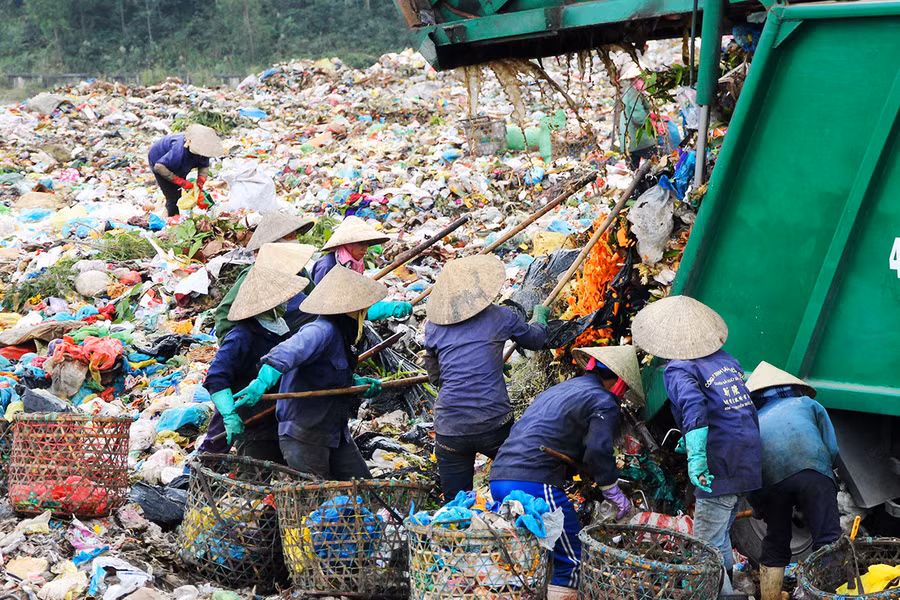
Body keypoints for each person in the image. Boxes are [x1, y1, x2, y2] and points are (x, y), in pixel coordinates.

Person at [491, 345, 643, 600]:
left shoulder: (561, 389)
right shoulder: (604, 400)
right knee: (572, 559)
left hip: (499, 477)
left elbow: (562, 436)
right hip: (534, 482)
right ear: (619, 383)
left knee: (520, 555)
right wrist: (611, 489)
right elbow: (598, 449)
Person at [631, 295, 761, 592]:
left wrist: (698, 456)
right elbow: (739, 409)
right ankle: (730, 590)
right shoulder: (727, 361)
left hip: (719, 461)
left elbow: (694, 406)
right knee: (720, 535)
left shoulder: (679, 369)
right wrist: (690, 443)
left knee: (705, 544)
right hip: (747, 456)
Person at [232, 266, 387, 480]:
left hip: (334, 431)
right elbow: (287, 352)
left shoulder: (344, 335)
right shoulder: (320, 331)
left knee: (362, 488)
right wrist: (262, 381)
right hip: (304, 434)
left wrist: (355, 384)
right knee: (317, 499)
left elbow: (327, 374)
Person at [423, 254, 550, 500]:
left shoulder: (433, 327)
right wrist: (541, 320)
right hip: (492, 423)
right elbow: (535, 340)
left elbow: (435, 377)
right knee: (519, 489)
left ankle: (456, 536)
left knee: (456, 505)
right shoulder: (500, 316)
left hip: (450, 429)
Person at [199, 243, 317, 456]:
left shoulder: (280, 328)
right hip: (248, 413)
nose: (287, 302)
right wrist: (229, 414)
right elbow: (216, 378)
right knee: (253, 463)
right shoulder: (242, 336)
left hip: (274, 410)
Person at [745, 362, 841, 600]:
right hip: (814, 469)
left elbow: (750, 471)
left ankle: (770, 596)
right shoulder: (807, 403)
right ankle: (826, 593)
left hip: (772, 483)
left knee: (776, 540)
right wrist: (824, 480)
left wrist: (759, 506)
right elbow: (832, 448)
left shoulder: (752, 421)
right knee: (828, 538)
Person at [310, 214, 412, 321]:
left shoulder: (355, 263)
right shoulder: (327, 266)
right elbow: (323, 306)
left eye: (367, 244)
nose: (365, 248)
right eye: (360, 244)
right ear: (348, 244)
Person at [148, 124, 224, 217]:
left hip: (181, 163)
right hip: (160, 162)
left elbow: (204, 165)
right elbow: (159, 166)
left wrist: (201, 178)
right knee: (173, 197)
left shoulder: (203, 149)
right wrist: (179, 181)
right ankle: (171, 220)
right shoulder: (178, 151)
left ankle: (211, 213)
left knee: (197, 191)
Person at [246, 211, 315, 252]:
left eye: (295, 236)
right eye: (290, 236)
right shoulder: (255, 272)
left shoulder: (298, 266)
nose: (295, 240)